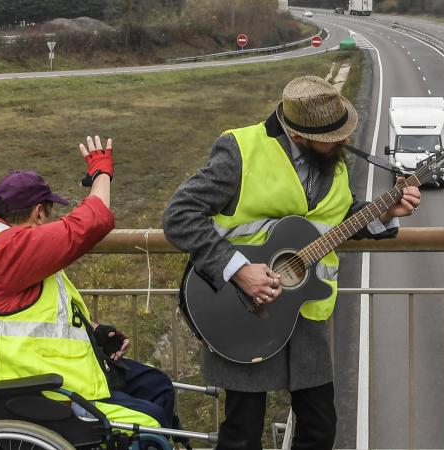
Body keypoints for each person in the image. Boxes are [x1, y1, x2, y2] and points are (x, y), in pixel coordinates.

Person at [163, 75, 421, 450]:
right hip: (242, 311)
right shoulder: (241, 151)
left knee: (320, 430)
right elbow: (179, 215)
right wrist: (239, 270)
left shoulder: (332, 158)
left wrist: (384, 212)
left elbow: (338, 216)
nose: (344, 141)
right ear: (299, 134)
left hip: (305, 314)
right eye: (334, 136)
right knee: (242, 434)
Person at [0, 137, 174, 430]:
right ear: (38, 212)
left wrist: (95, 332)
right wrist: (101, 173)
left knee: (156, 385)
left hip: (39, 375)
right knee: (152, 421)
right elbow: (89, 223)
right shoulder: (8, 251)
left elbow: (35, 312)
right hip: (47, 391)